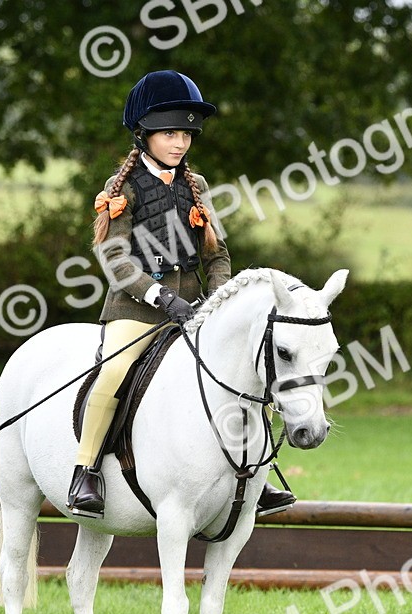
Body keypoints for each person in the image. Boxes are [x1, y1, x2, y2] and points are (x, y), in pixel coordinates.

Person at [67, 70, 296, 519]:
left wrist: (220, 298)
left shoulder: (198, 186)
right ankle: (86, 470)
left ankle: (259, 477)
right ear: (144, 134)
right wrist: (159, 298)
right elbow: (117, 263)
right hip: (135, 309)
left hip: (195, 308)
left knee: (251, 370)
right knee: (113, 373)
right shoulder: (120, 191)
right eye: (170, 133)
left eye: (187, 134)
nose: (180, 143)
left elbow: (216, 253)